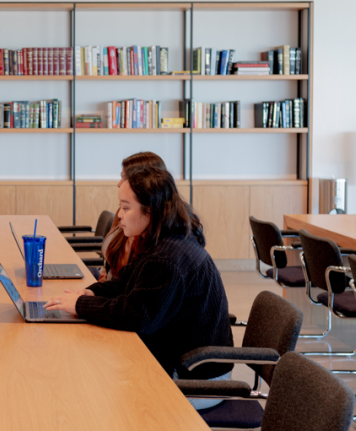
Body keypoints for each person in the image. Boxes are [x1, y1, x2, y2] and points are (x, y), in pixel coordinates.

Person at [45, 166, 233, 386]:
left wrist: (81, 305)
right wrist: (90, 292)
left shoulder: (166, 259)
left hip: (195, 375)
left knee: (92, 376)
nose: (119, 215)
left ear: (150, 211)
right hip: (178, 358)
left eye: (126, 208)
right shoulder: (161, 239)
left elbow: (135, 317)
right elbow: (125, 283)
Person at [98, 152, 168, 283]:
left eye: (125, 178)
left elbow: (130, 292)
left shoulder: (157, 248)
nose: (119, 184)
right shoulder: (124, 214)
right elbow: (108, 267)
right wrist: (92, 291)